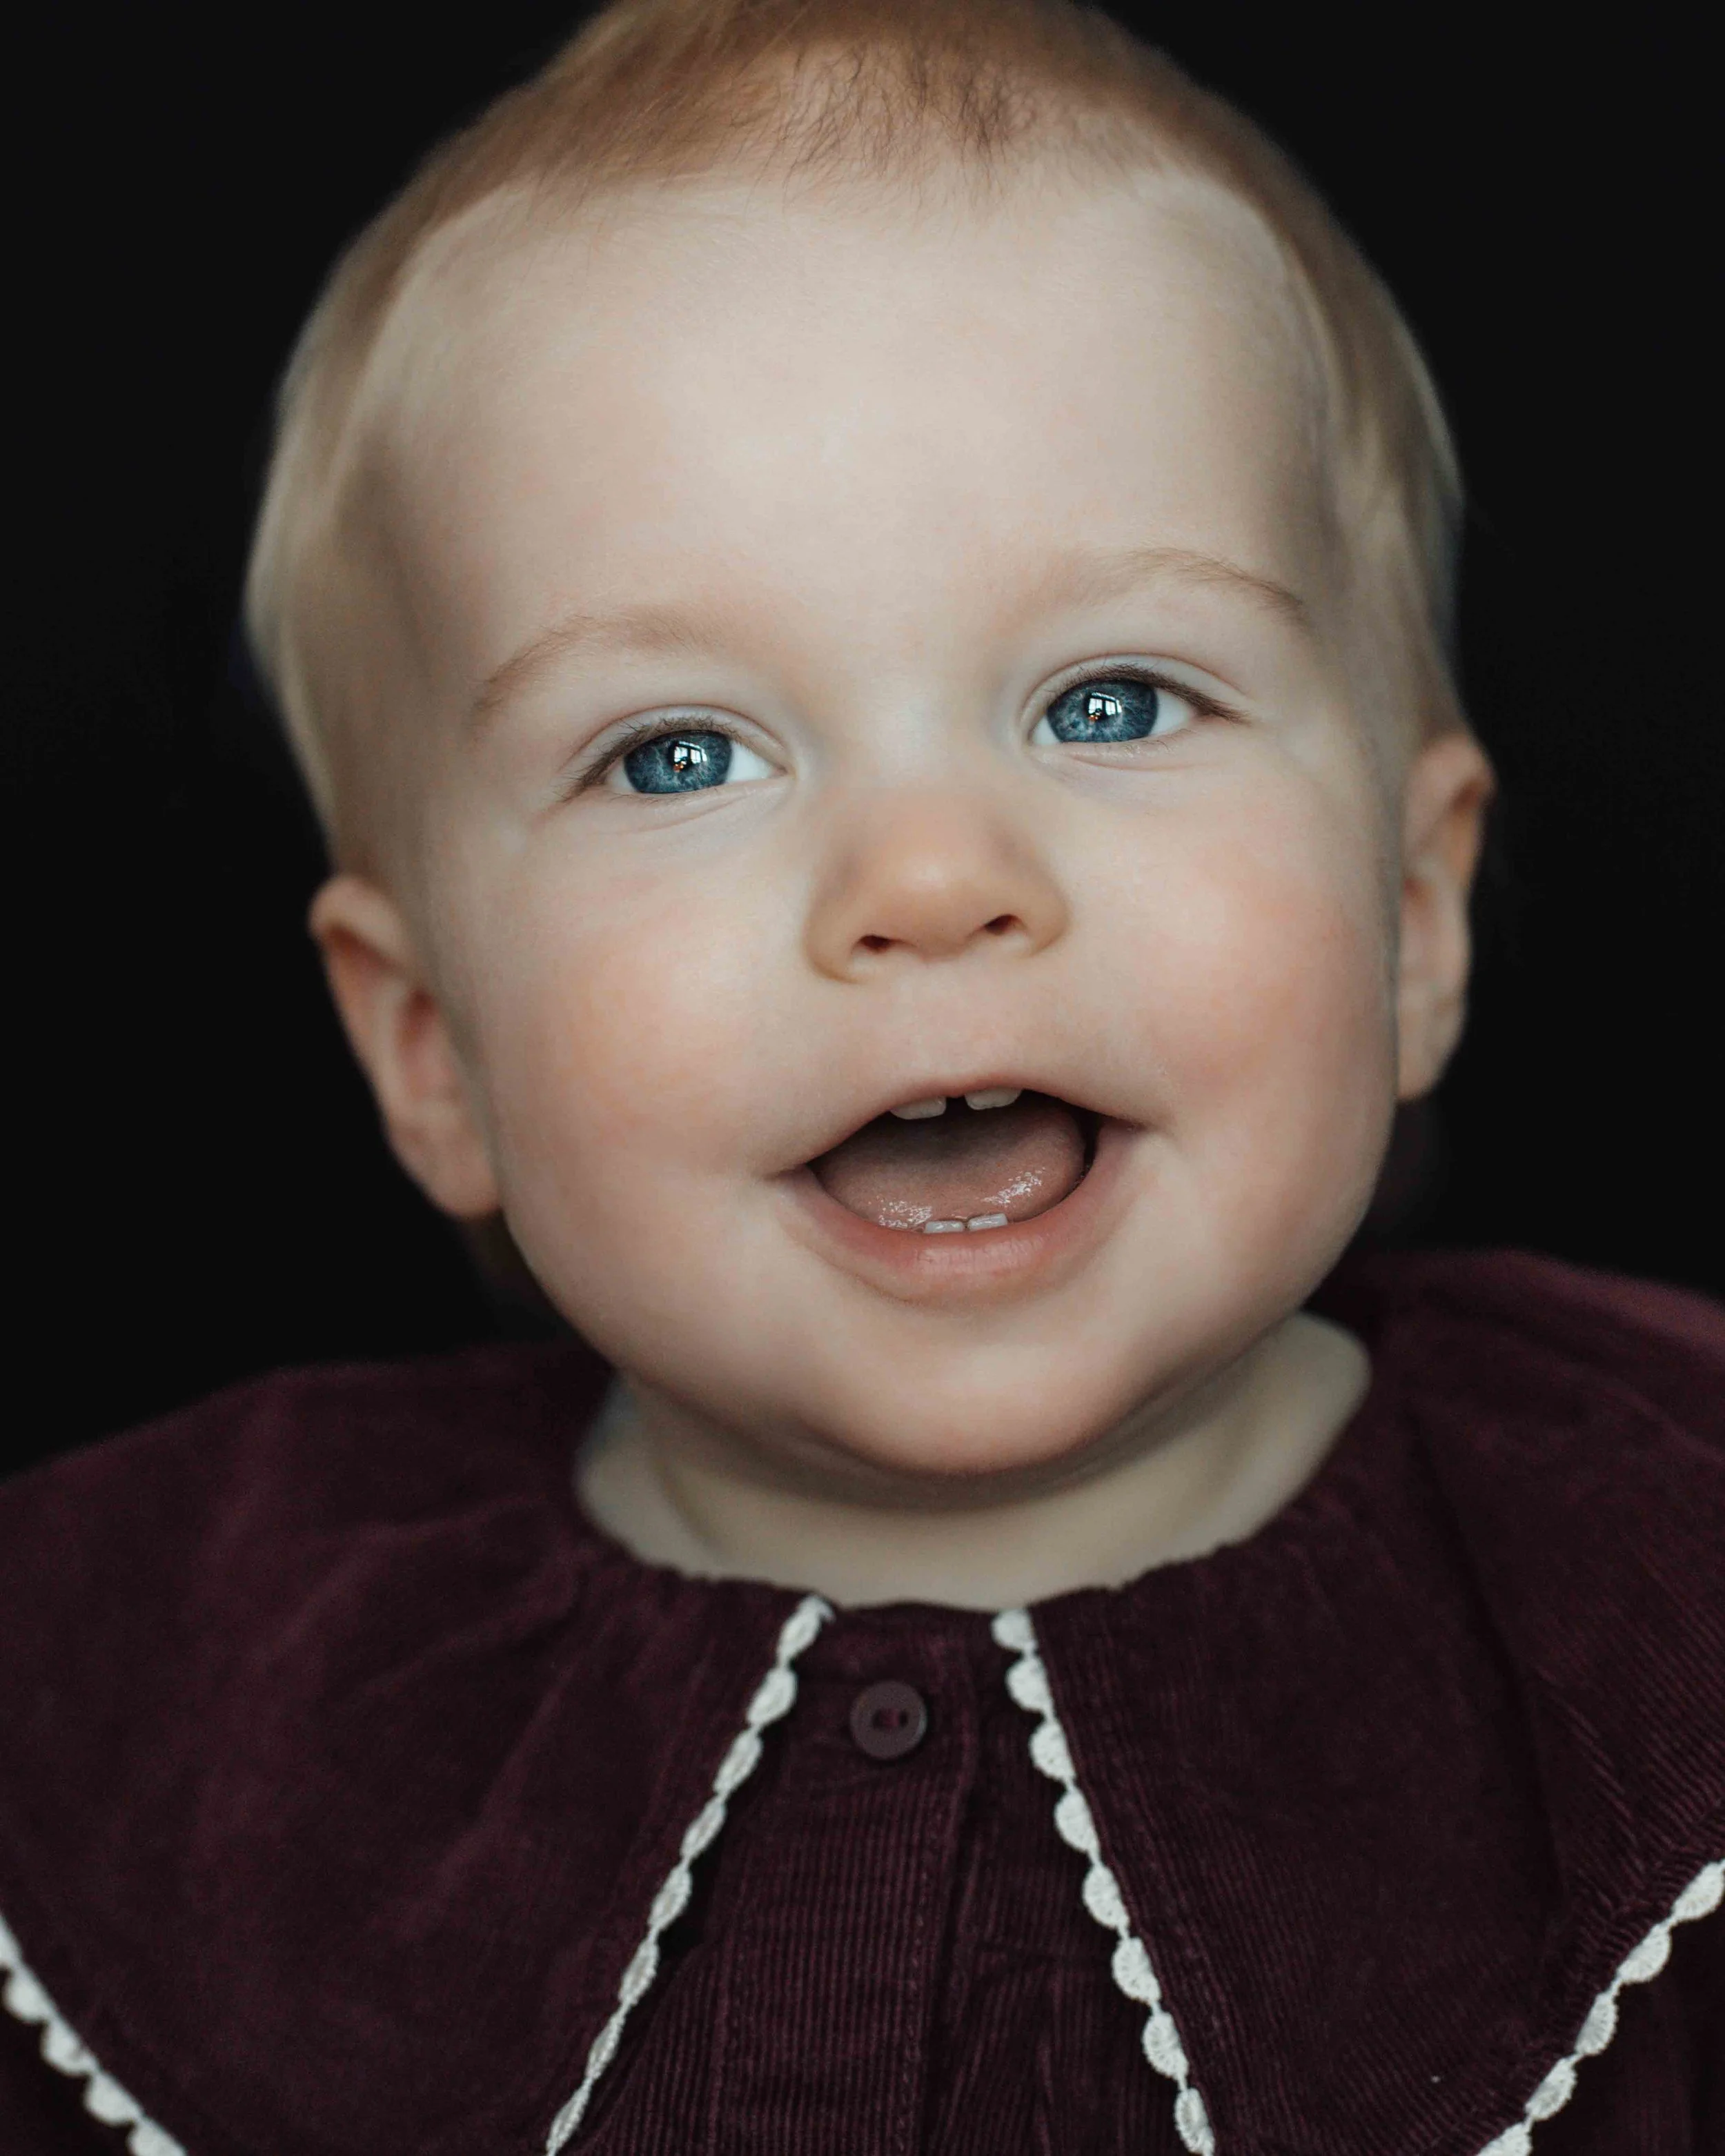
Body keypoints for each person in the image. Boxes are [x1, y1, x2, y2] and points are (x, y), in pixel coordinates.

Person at [1, 1, 1719, 2149]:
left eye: (1110, 701)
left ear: (1410, 914)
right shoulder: (146, 1683)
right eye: (678, 752)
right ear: (427, 1050)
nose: (926, 881)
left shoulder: (1666, 1586)